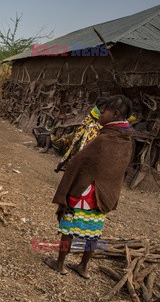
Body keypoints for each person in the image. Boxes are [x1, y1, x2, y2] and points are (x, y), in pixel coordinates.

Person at [44, 95, 133, 279]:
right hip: (103, 197)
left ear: (115, 113)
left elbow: (80, 162)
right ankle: (83, 266)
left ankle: (59, 263)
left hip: (85, 192)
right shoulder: (126, 141)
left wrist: (66, 189)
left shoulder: (102, 139)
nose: (100, 113)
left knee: (68, 228)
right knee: (93, 233)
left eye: (105, 111)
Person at [55, 98, 107, 172]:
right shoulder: (100, 115)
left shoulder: (94, 112)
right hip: (88, 137)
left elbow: (85, 122)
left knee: (75, 153)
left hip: (83, 136)